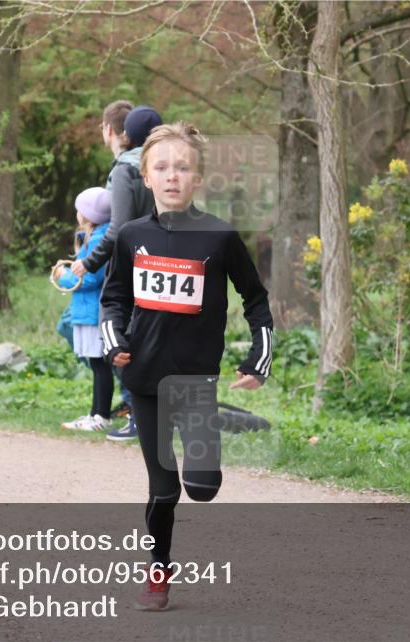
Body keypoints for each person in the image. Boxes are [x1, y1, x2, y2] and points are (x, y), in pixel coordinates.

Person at [99, 121, 273, 611]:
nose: (172, 176)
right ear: (146, 178)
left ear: (198, 179)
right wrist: (116, 344)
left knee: (202, 487)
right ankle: (158, 574)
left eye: (182, 168)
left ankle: (200, 476)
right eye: (161, 168)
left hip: (196, 382)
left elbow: (256, 300)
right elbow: (112, 300)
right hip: (146, 381)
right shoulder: (132, 237)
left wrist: (258, 360)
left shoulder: (219, 236)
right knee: (164, 488)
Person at [74, 103, 164, 443]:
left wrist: (89, 261)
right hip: (161, 261)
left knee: (123, 338)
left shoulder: (126, 170)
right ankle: (146, 414)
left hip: (132, 266)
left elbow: (118, 229)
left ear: (113, 131)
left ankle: (138, 418)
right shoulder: (163, 164)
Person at [54, 187, 114, 431]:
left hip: (92, 313)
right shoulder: (94, 237)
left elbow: (88, 279)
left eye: (80, 210)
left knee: (99, 366)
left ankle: (100, 417)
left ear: (88, 214)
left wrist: (62, 275)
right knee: (97, 365)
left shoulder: (99, 240)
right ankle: (95, 414)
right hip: (87, 311)